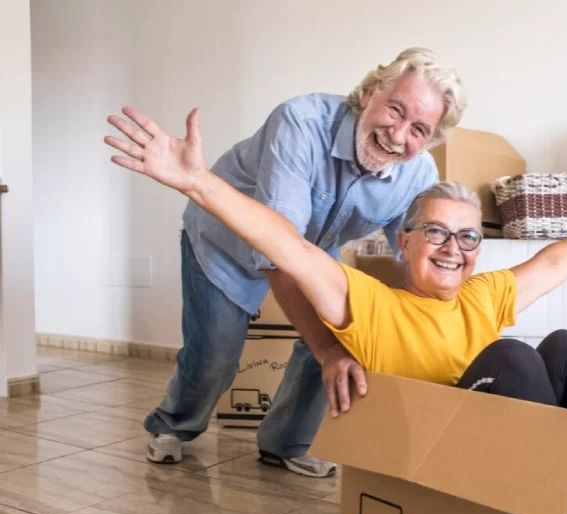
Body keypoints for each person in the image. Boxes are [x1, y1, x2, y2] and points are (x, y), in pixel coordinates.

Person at [105, 111, 567, 439]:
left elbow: (552, 262)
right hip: (441, 445)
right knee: (513, 354)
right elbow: (286, 246)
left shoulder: (484, 293)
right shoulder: (371, 303)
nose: (454, 249)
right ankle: (548, 491)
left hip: (501, 431)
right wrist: (198, 182)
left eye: (468, 237)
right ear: (403, 242)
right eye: (437, 233)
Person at [103, 47, 468, 477]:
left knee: (351, 330)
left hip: (310, 251)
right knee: (217, 356)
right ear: (371, 92)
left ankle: (285, 442)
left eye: (419, 129)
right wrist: (326, 348)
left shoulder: (418, 173)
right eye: (395, 110)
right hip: (224, 243)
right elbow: (277, 251)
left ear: (430, 139)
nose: (398, 134)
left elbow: (413, 258)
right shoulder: (301, 123)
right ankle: (174, 425)